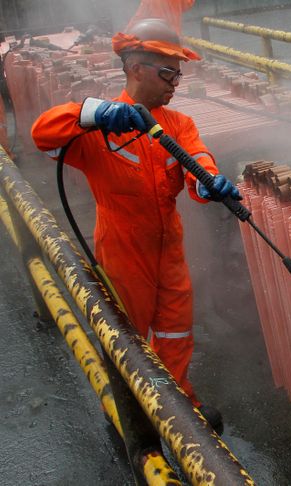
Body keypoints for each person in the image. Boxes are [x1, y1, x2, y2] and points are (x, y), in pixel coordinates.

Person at [31, 18, 235, 434]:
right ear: (134, 66)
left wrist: (208, 181)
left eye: (178, 73)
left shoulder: (178, 126)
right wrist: (94, 114)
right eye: (167, 72)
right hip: (123, 252)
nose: (175, 82)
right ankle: (130, 412)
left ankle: (176, 402)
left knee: (176, 332)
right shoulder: (97, 131)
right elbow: (42, 134)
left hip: (169, 250)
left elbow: (195, 158)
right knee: (128, 338)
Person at [127, 0, 195, 34]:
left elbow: (138, 17)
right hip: (174, 37)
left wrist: (126, 33)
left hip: (155, 39)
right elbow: (187, 5)